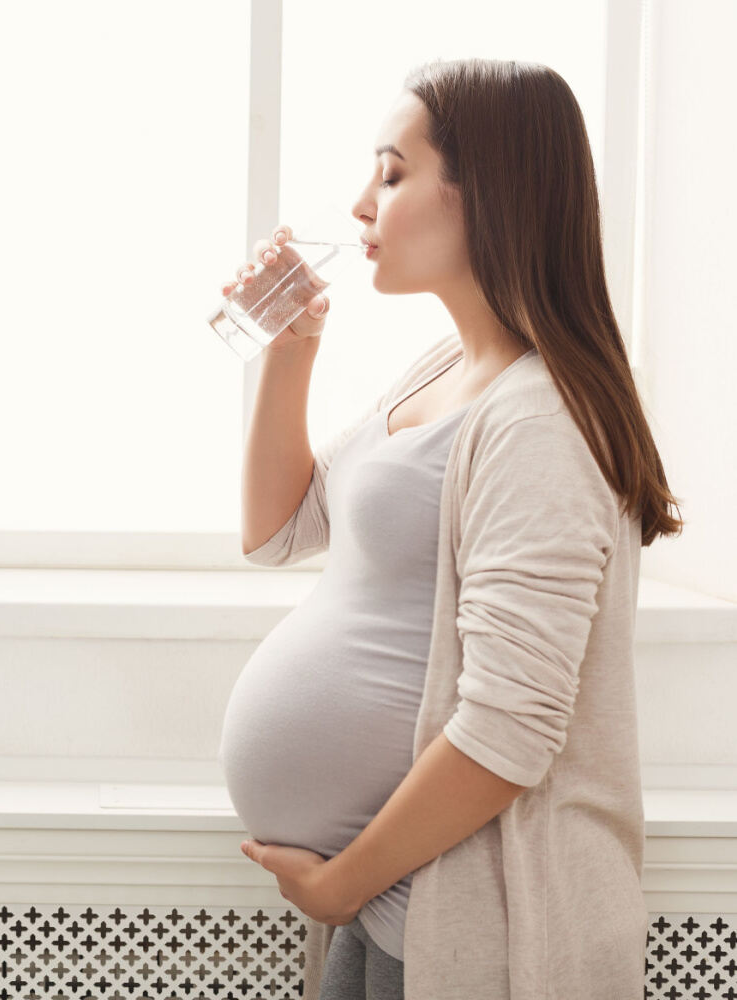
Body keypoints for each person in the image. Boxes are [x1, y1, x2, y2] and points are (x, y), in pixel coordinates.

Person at [217, 57, 683, 999]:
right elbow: (275, 531)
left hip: (474, 919)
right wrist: (291, 348)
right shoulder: (446, 369)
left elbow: (512, 726)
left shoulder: (541, 421)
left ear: (491, 196)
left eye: (391, 174)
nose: (360, 205)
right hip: (396, 901)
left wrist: (343, 884)